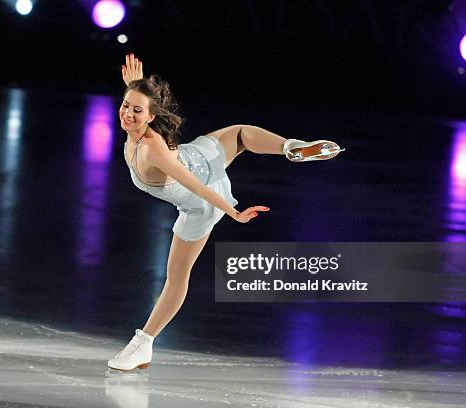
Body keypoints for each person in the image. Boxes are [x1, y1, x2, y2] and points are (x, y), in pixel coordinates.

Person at [108, 54, 345, 371]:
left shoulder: (153, 149)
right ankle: (291, 147)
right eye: (126, 106)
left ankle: (142, 345)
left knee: (177, 277)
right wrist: (134, 89)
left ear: (151, 117)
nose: (128, 114)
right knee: (240, 133)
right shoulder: (140, 128)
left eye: (137, 110)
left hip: (203, 197)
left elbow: (198, 188)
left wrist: (233, 212)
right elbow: (141, 107)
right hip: (197, 154)